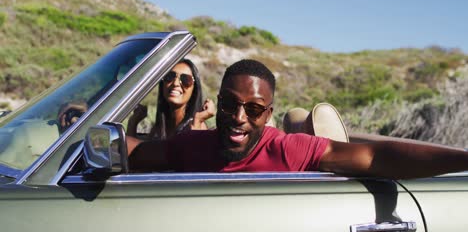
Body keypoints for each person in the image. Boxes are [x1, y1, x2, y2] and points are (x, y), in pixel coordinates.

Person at [127, 59, 468, 179]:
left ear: (269, 114)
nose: (239, 118)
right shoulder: (190, 145)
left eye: (254, 109)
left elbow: (376, 156)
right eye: (230, 106)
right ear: (217, 103)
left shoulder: (288, 150)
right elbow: (134, 152)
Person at [127, 59, 215, 140]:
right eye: (170, 76)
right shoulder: (160, 127)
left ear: (194, 89)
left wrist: (198, 120)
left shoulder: (198, 127)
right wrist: (133, 122)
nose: (175, 83)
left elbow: (192, 155)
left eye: (185, 79)